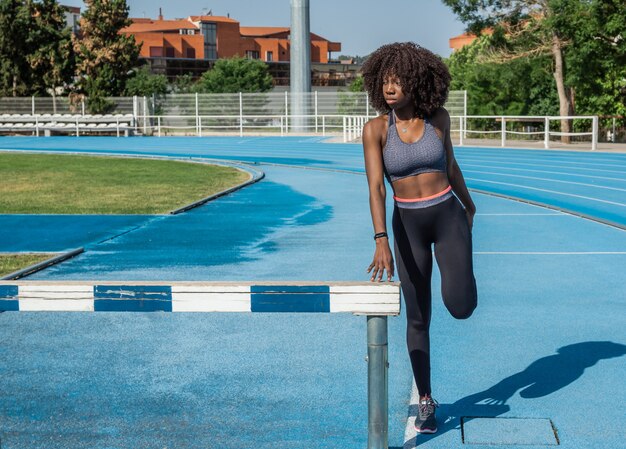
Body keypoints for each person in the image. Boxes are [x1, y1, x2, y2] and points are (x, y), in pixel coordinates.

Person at [361, 42, 478, 434]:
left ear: (416, 82)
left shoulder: (438, 118)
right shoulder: (376, 130)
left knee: (460, 306)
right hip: (406, 226)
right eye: (385, 81)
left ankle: (461, 271)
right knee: (418, 316)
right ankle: (426, 398)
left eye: (398, 80)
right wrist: (380, 238)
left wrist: (469, 203)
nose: (390, 87)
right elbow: (376, 188)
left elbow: (452, 165)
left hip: (447, 217)